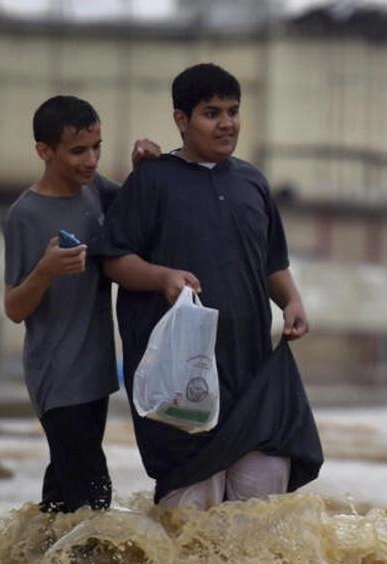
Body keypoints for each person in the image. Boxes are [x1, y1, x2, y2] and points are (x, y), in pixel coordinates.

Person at [96, 63, 324, 510]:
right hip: (182, 378)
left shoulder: (253, 182)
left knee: (260, 523)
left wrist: (292, 300)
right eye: (211, 113)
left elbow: (272, 262)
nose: (227, 124)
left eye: (233, 111)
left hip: (253, 373)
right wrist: (162, 277)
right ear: (181, 120)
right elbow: (114, 261)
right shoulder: (152, 180)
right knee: (187, 525)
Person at [2, 95, 160, 513]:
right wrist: (45, 270)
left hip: (96, 374)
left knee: (63, 495)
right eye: (77, 151)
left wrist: (145, 169)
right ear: (44, 151)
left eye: (97, 148)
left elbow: (138, 210)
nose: (90, 160)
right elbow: (14, 308)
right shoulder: (25, 215)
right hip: (57, 376)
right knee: (93, 494)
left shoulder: (96, 192)